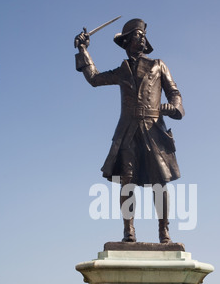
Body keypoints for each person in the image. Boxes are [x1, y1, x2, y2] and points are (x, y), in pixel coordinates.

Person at [74, 18, 185, 243]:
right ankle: (129, 232)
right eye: (137, 35)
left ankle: (164, 232)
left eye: (143, 35)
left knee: (160, 183)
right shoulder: (122, 70)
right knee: (127, 182)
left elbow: (174, 93)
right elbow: (95, 79)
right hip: (127, 132)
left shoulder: (158, 65)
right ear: (127, 42)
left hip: (153, 130)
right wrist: (83, 49)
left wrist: (174, 107)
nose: (142, 37)